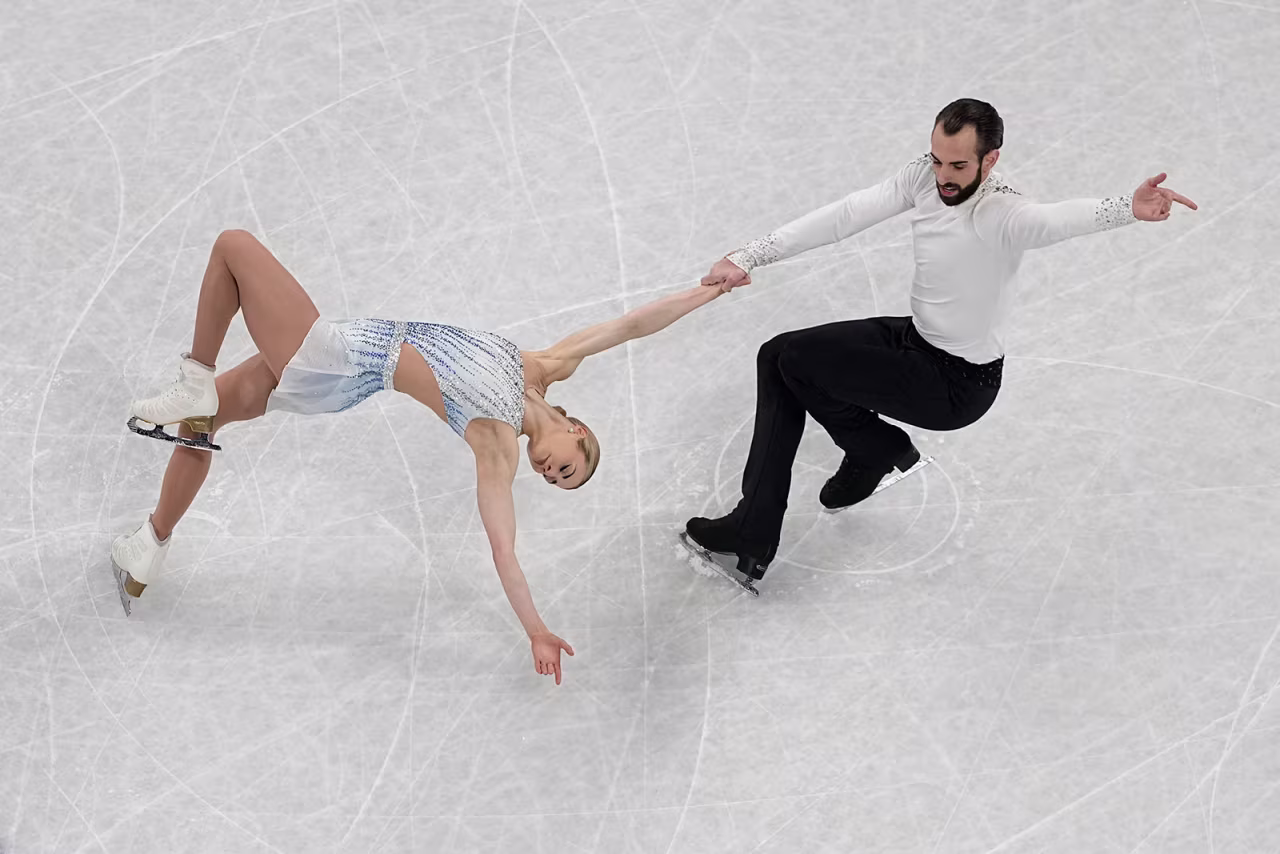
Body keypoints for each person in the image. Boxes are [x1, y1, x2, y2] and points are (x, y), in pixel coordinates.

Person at [112, 228, 727, 683]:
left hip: (340, 359)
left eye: (554, 480)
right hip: (343, 377)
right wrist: (707, 292)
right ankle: (149, 546)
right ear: (576, 428)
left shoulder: (495, 443)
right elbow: (630, 327)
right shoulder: (545, 366)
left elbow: (504, 551)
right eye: (566, 465)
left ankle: (194, 372)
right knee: (202, 420)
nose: (548, 471)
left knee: (234, 247)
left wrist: (536, 630)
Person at [685, 98, 1197, 586]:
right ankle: (874, 449)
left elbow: (1053, 220)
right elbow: (845, 215)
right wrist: (749, 254)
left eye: (957, 165)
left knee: (795, 361)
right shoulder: (923, 177)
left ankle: (756, 529)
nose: (943, 177)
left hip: (956, 383)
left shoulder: (1002, 213)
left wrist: (1125, 208)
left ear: (990, 159)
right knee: (778, 354)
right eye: (937, 160)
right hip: (916, 338)